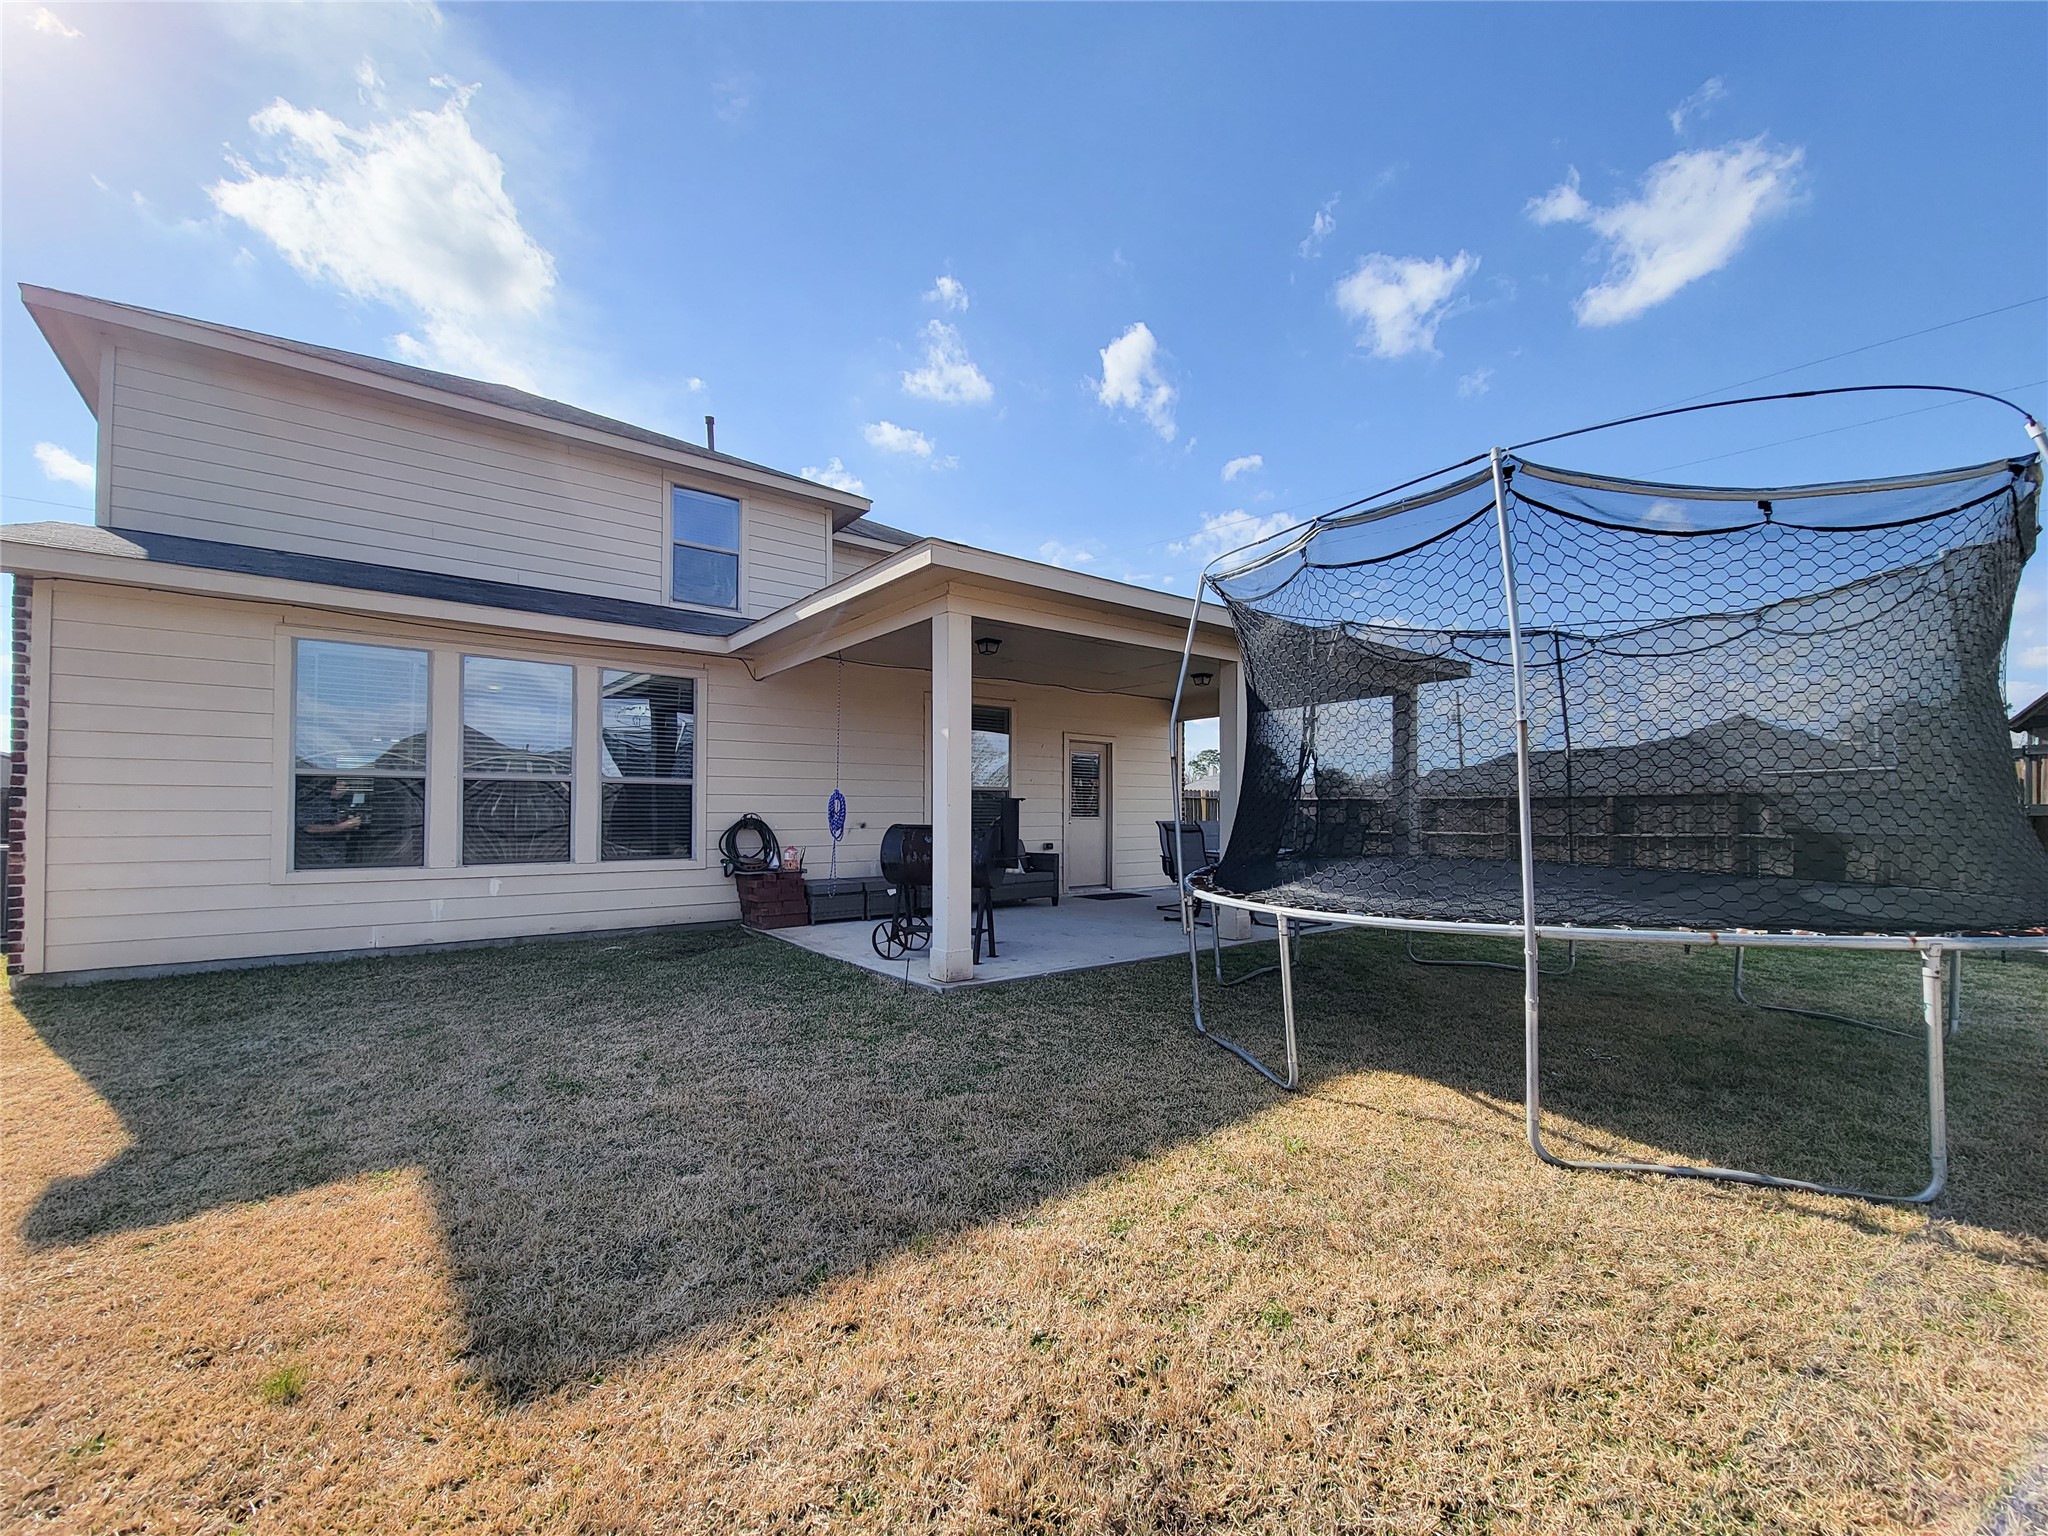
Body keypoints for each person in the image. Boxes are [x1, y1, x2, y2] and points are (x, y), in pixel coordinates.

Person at [295, 776, 365, 867]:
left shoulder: (339, 802)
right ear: (334, 786)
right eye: (345, 787)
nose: (347, 790)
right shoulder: (312, 801)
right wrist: (342, 826)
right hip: (315, 857)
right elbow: (309, 827)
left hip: (337, 857)